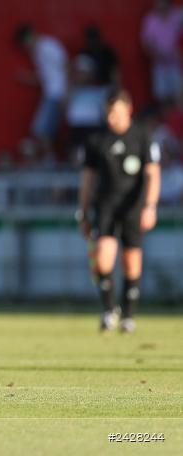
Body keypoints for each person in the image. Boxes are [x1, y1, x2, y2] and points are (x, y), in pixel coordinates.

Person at [77, 89, 161, 333]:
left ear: (128, 110)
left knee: (131, 262)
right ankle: (108, 310)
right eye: (109, 112)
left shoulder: (143, 136)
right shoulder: (96, 140)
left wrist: (150, 206)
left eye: (116, 112)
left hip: (134, 207)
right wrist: (82, 211)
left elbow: (153, 174)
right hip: (105, 206)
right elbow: (87, 179)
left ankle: (128, 315)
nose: (112, 118)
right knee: (103, 257)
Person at [14, 23, 68, 162]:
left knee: (41, 130)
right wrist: (26, 78)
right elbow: (45, 78)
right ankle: (50, 160)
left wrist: (67, 93)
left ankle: (51, 162)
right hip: (51, 94)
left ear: (31, 35)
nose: (27, 47)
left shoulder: (48, 46)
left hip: (57, 94)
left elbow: (66, 66)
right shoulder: (37, 52)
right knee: (44, 131)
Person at [141, 0, 183, 108]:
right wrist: (153, 54)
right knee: (162, 97)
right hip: (159, 64)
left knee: (178, 96)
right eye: (157, 2)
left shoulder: (178, 16)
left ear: (168, 2)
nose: (159, 5)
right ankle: (167, 123)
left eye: (162, 2)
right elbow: (146, 42)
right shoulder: (150, 19)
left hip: (177, 64)